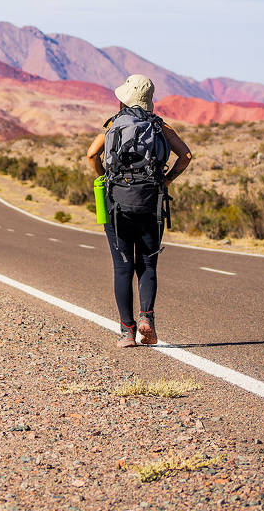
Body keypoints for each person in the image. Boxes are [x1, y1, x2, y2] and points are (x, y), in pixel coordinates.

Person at [85, 74, 192, 347]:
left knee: (122, 268)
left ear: (124, 99)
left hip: (116, 203)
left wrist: (102, 177)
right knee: (147, 264)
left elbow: (90, 155)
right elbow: (186, 156)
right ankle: (147, 319)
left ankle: (126, 332)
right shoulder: (160, 126)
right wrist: (166, 181)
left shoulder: (111, 125)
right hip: (150, 201)